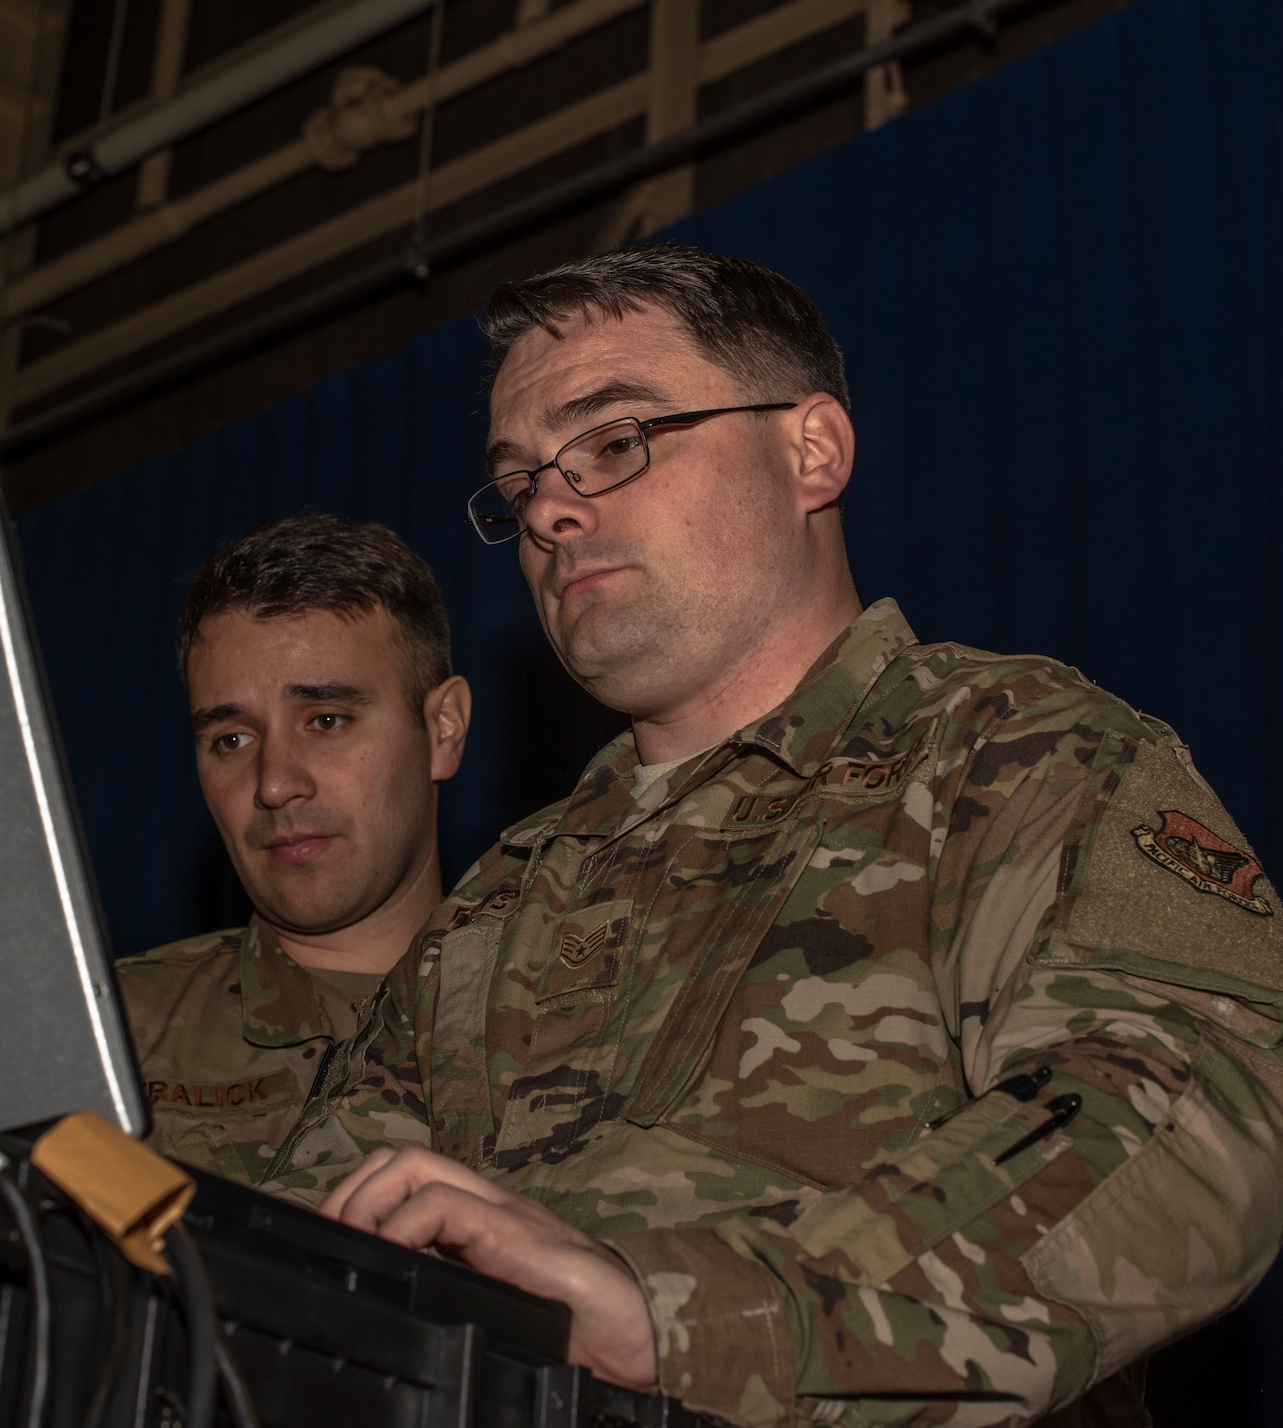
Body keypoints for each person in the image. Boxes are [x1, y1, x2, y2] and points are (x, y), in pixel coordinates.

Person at [267, 244, 1283, 1425]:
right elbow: (308, 1232)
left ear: (811, 451)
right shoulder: (506, 893)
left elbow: (1188, 1120)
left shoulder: (1010, 752)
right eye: (520, 481)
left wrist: (681, 1317)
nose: (548, 507)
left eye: (614, 441)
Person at [120, 514, 471, 1185]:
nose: (275, 783)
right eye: (231, 739)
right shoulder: (114, 1042)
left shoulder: (565, 1024)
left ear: (443, 729)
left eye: (327, 721)